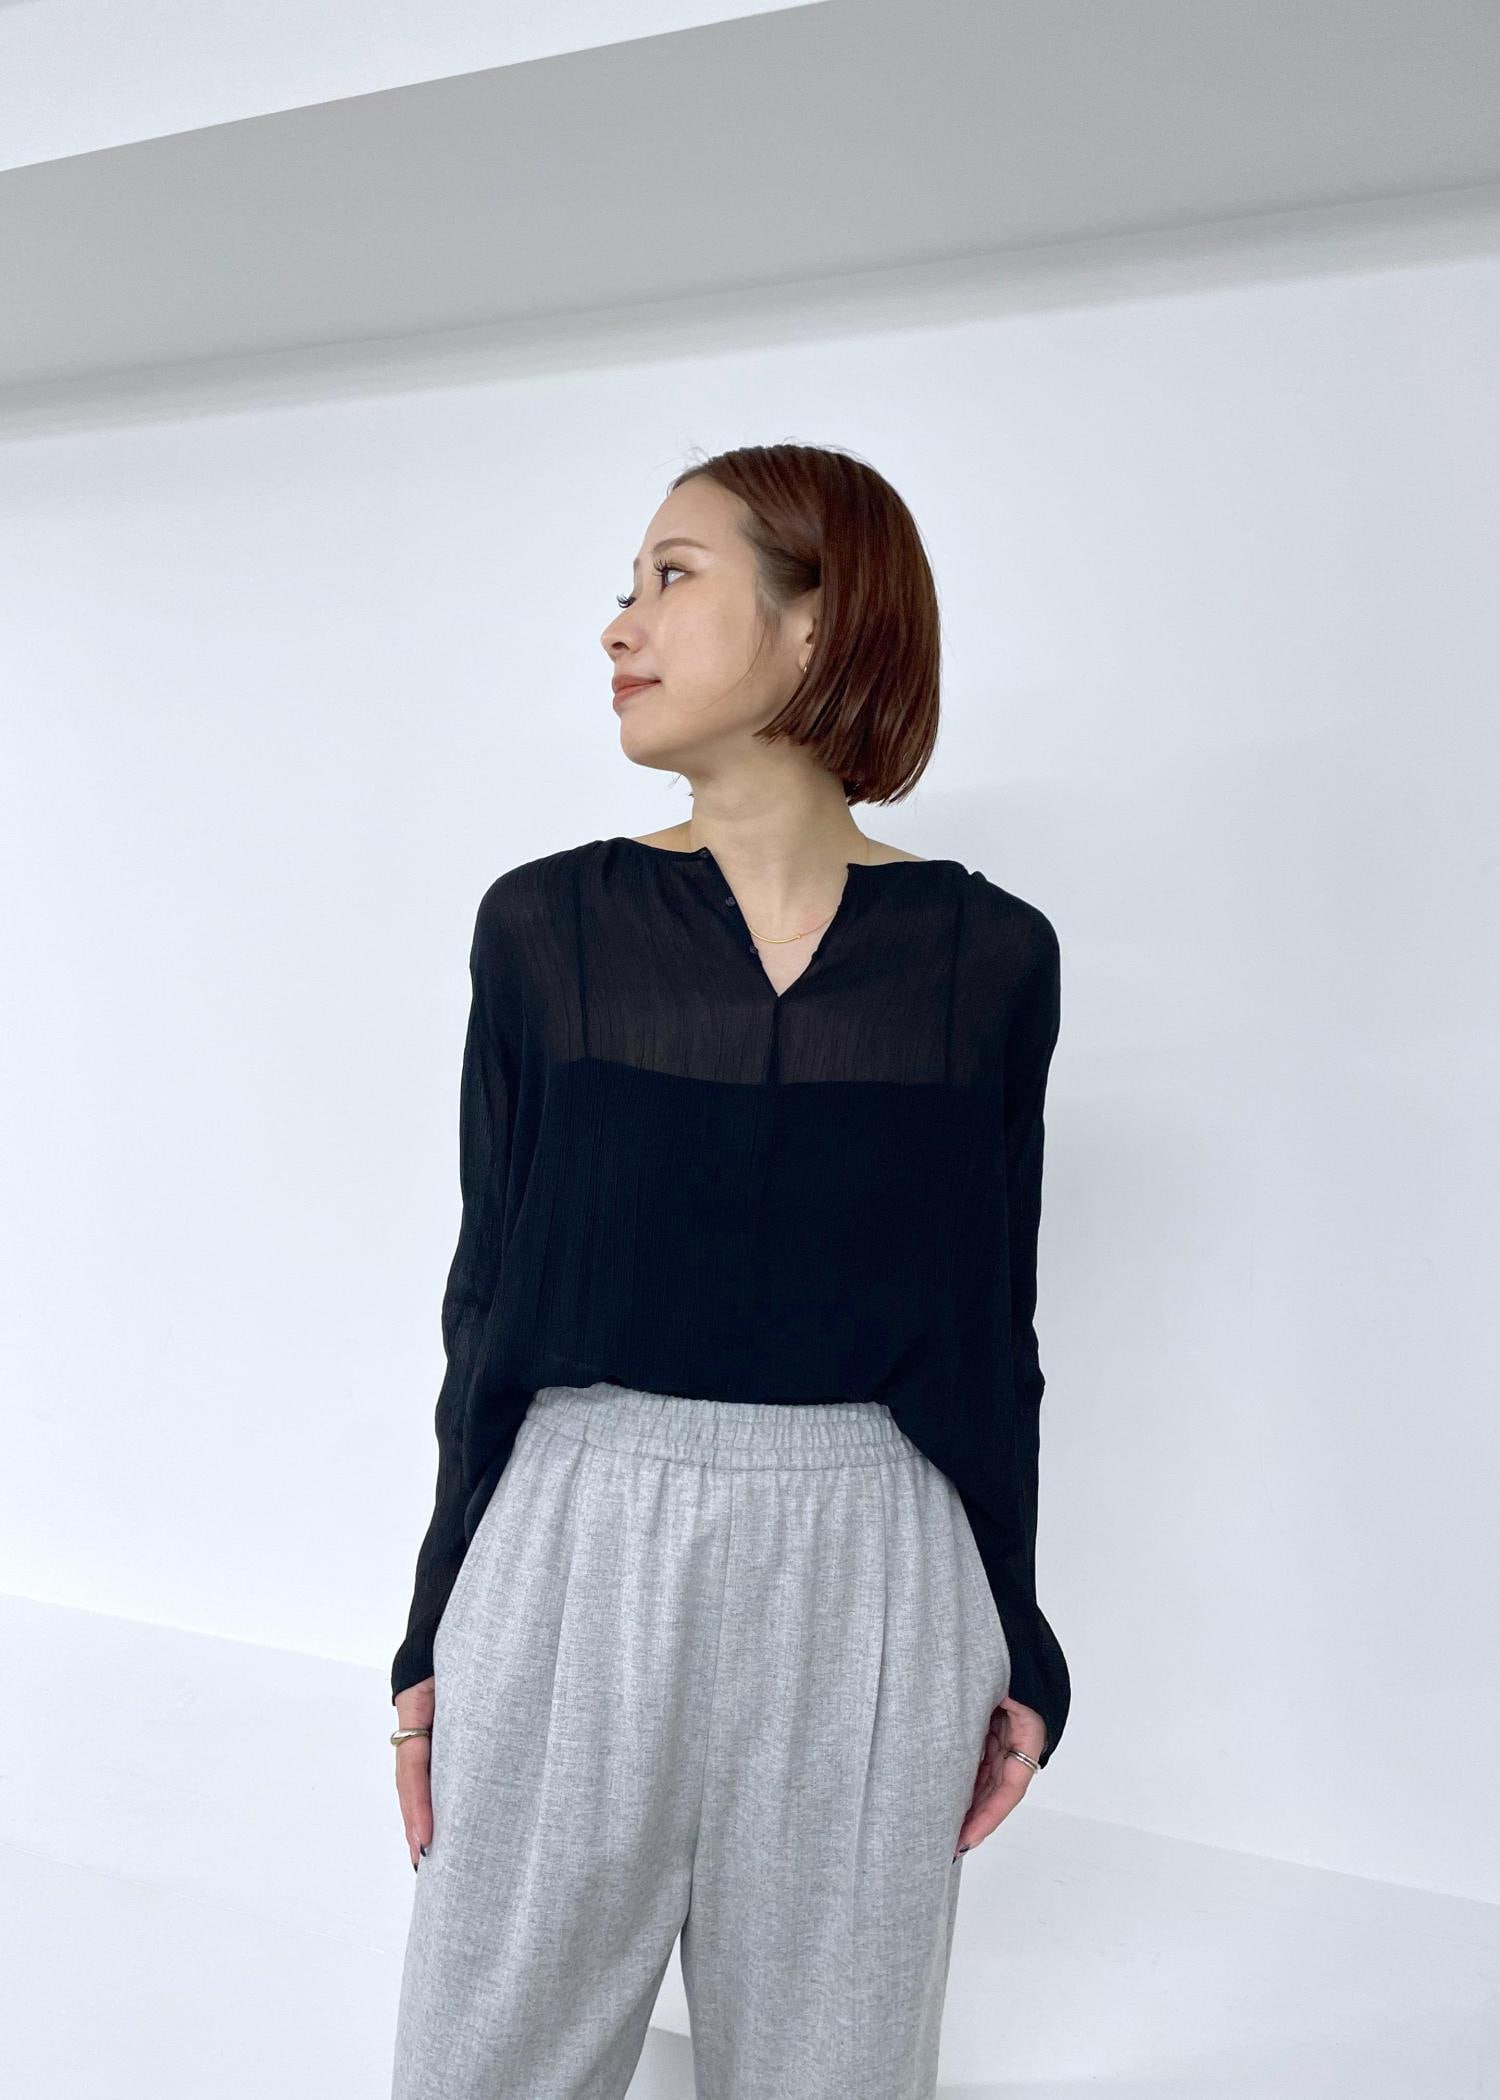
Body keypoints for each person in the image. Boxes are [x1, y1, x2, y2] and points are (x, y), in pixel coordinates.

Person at [388, 442, 1069, 2100]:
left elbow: (996, 1325)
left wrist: (1022, 1635)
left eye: (672, 578)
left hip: (877, 1561)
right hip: (575, 1538)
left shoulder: (988, 959)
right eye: (627, 588)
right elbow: (487, 1297)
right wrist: (429, 1629)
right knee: (489, 2065)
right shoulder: (547, 930)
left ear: (818, 619)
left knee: (836, 2069)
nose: (619, 625)